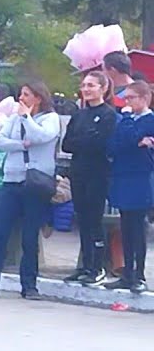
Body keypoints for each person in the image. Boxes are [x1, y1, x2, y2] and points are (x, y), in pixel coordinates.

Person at [0, 81, 61, 300]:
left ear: (38, 98)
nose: (21, 99)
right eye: (20, 94)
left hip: (35, 182)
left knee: (29, 236)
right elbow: (0, 141)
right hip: (12, 180)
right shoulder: (14, 119)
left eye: (26, 95)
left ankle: (29, 285)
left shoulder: (49, 118)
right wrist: (21, 144)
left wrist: (27, 118)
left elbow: (41, 137)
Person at [61, 70, 118, 286]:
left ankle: (98, 266)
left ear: (103, 88)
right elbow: (67, 144)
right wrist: (85, 139)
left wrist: (84, 140)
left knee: (94, 220)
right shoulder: (79, 115)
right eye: (84, 85)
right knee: (82, 219)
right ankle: (85, 265)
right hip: (78, 171)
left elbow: (100, 143)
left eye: (91, 85)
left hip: (97, 173)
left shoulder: (108, 115)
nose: (86, 89)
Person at [104, 81, 154, 292]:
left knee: (137, 227)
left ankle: (139, 274)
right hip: (123, 175)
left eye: (131, 98)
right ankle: (127, 272)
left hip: (140, 177)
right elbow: (114, 145)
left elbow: (132, 136)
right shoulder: (126, 121)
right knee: (125, 226)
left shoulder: (149, 120)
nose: (126, 103)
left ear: (143, 98)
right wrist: (132, 139)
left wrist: (127, 123)